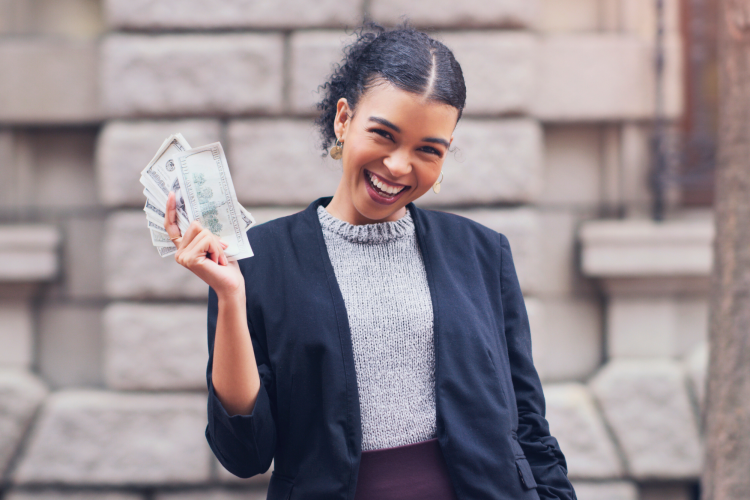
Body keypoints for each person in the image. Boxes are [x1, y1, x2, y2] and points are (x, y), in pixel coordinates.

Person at [164, 22, 577, 500]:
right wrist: (230, 296)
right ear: (344, 119)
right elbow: (244, 455)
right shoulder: (258, 262)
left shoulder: (483, 254)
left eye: (428, 150)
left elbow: (528, 425)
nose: (399, 166)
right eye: (383, 135)